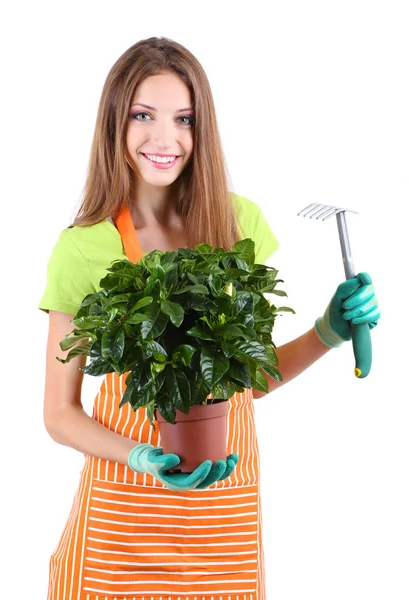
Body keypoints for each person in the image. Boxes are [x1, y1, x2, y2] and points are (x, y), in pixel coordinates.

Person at [38, 36, 380, 600]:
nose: (164, 138)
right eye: (142, 115)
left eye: (184, 118)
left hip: (223, 529)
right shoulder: (82, 248)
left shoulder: (237, 223)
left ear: (203, 129)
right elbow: (59, 413)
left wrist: (327, 332)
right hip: (122, 530)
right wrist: (143, 458)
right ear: (114, 125)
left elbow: (251, 379)